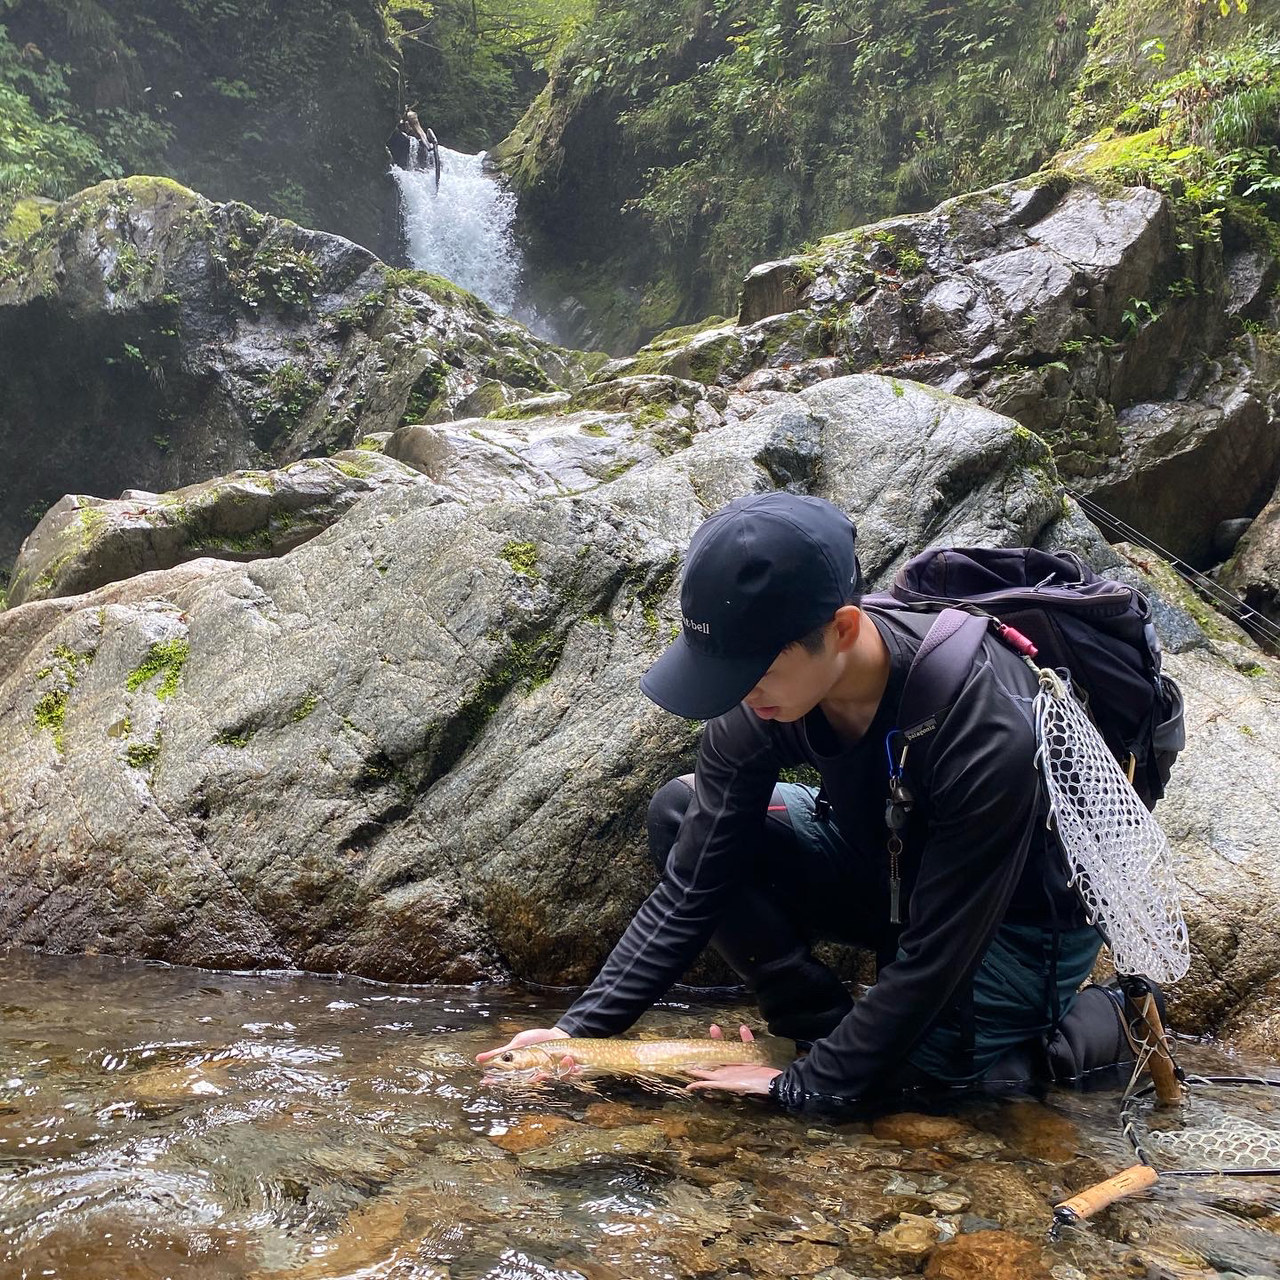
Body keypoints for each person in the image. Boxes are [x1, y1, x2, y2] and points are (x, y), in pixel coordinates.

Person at [478, 492, 1110, 1109]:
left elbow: (939, 953)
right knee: (683, 810)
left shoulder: (986, 729)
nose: (741, 696)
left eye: (754, 673)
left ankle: (1098, 1026)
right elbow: (694, 883)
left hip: (1009, 917)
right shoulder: (767, 697)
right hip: (886, 869)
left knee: (923, 1083)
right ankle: (815, 1017)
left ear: (842, 629)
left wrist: (804, 1085)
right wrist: (578, 1034)